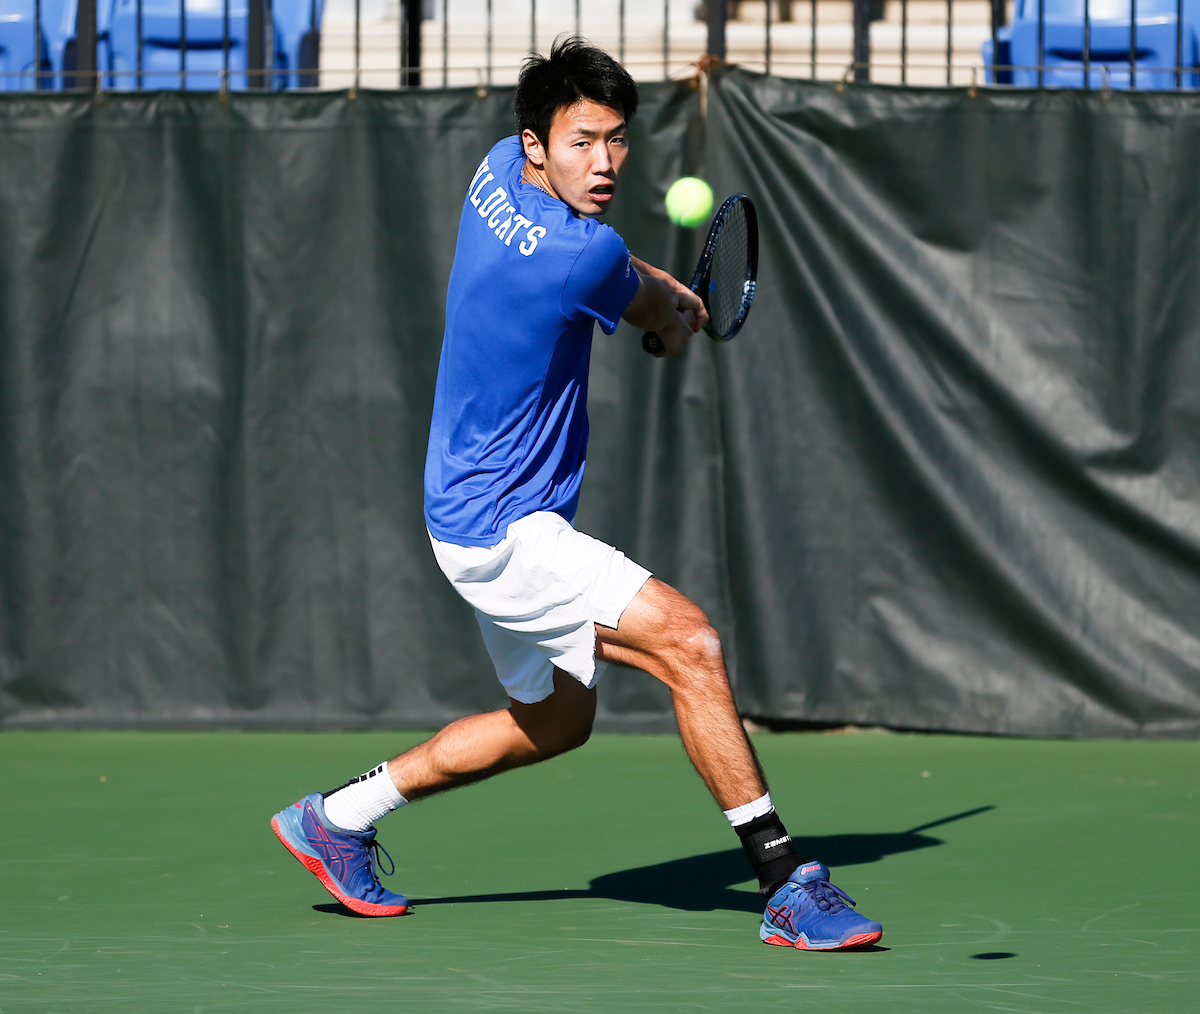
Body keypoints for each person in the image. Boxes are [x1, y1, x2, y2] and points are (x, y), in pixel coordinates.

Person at [271, 37, 882, 952]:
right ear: (536, 144)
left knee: (553, 724)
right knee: (692, 645)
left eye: (616, 140)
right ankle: (786, 880)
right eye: (582, 141)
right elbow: (620, 284)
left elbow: (622, 272)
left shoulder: (492, 172)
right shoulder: (580, 257)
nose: (603, 162)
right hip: (505, 530)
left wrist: (664, 293)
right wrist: (671, 321)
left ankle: (337, 818)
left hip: (459, 506)